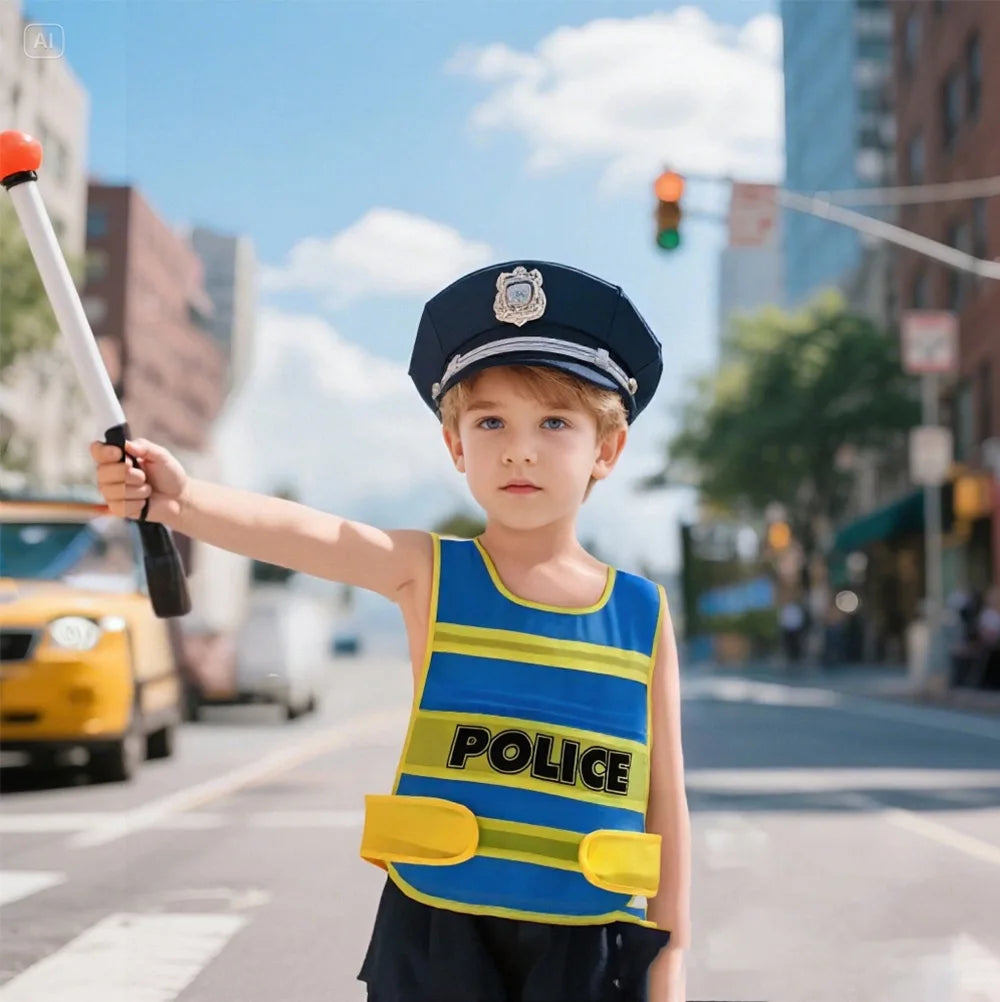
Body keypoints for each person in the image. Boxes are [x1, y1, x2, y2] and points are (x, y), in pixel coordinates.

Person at [90, 260, 691, 1002]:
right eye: (491, 421)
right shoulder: (430, 574)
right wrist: (181, 503)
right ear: (455, 446)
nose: (519, 448)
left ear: (607, 450)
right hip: (439, 931)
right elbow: (313, 534)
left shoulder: (641, 613)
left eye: (555, 422)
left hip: (591, 939)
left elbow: (668, 800)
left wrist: (670, 958)